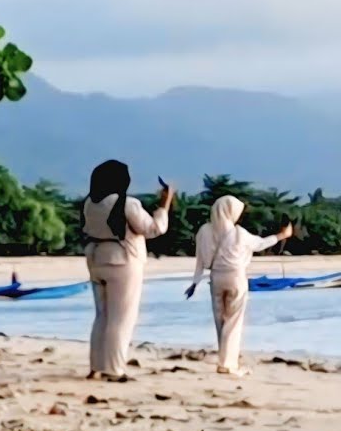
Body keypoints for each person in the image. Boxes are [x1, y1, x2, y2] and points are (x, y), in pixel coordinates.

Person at [82, 160, 173, 380]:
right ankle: (114, 369)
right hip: (123, 260)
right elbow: (153, 229)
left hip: (96, 258)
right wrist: (164, 204)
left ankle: (96, 366)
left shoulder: (89, 203)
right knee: (121, 318)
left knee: (102, 316)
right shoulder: (128, 203)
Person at [186, 196, 293, 375]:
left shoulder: (204, 231)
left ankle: (224, 359)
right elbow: (261, 244)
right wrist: (283, 235)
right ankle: (227, 363)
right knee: (233, 321)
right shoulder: (239, 233)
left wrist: (195, 282)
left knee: (220, 321)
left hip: (215, 278)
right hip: (235, 277)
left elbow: (200, 259)